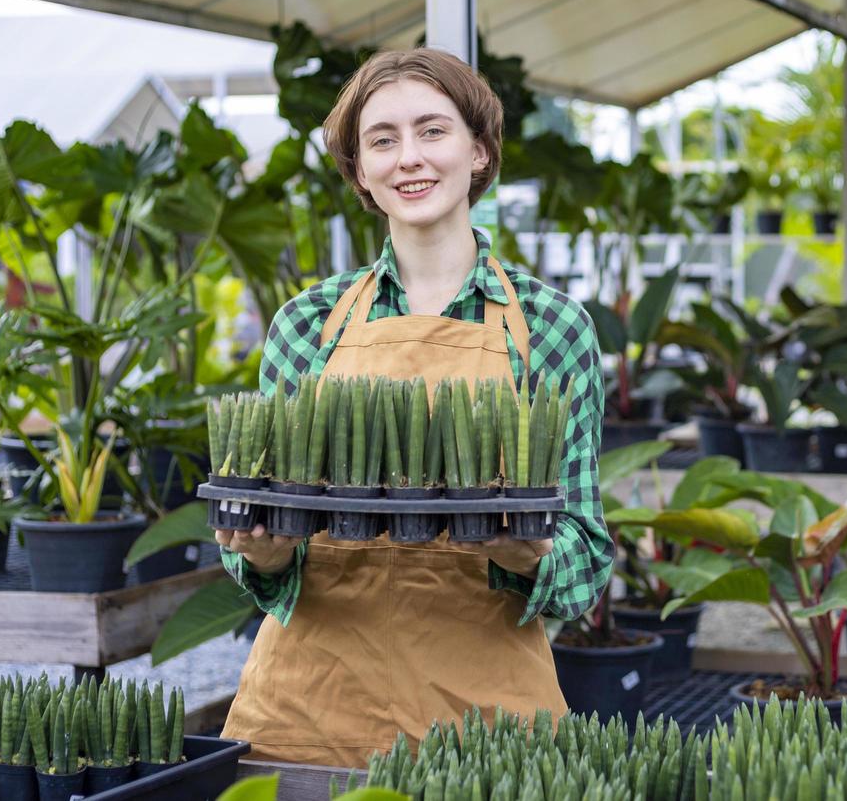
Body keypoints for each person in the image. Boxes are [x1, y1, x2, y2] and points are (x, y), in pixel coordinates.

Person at [215, 47, 612, 767]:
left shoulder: (553, 328)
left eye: (433, 131)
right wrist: (264, 555)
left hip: (487, 727)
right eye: (383, 140)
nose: (410, 159)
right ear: (360, 170)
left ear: (479, 151)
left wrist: (531, 556)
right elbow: (262, 553)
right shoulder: (306, 324)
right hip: (312, 715)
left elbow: (586, 557)